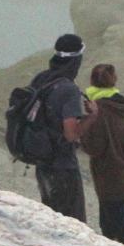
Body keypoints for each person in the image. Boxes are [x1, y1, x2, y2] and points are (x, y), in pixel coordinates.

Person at [31, 34, 99, 222]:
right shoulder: (68, 89)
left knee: (52, 218)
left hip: (42, 163)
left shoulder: (41, 79)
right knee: (73, 223)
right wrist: (92, 116)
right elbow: (70, 134)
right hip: (63, 168)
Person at [79, 64, 124, 246]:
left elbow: (94, 147)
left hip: (108, 174)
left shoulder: (99, 110)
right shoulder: (122, 104)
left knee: (119, 228)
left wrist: (85, 125)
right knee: (111, 225)